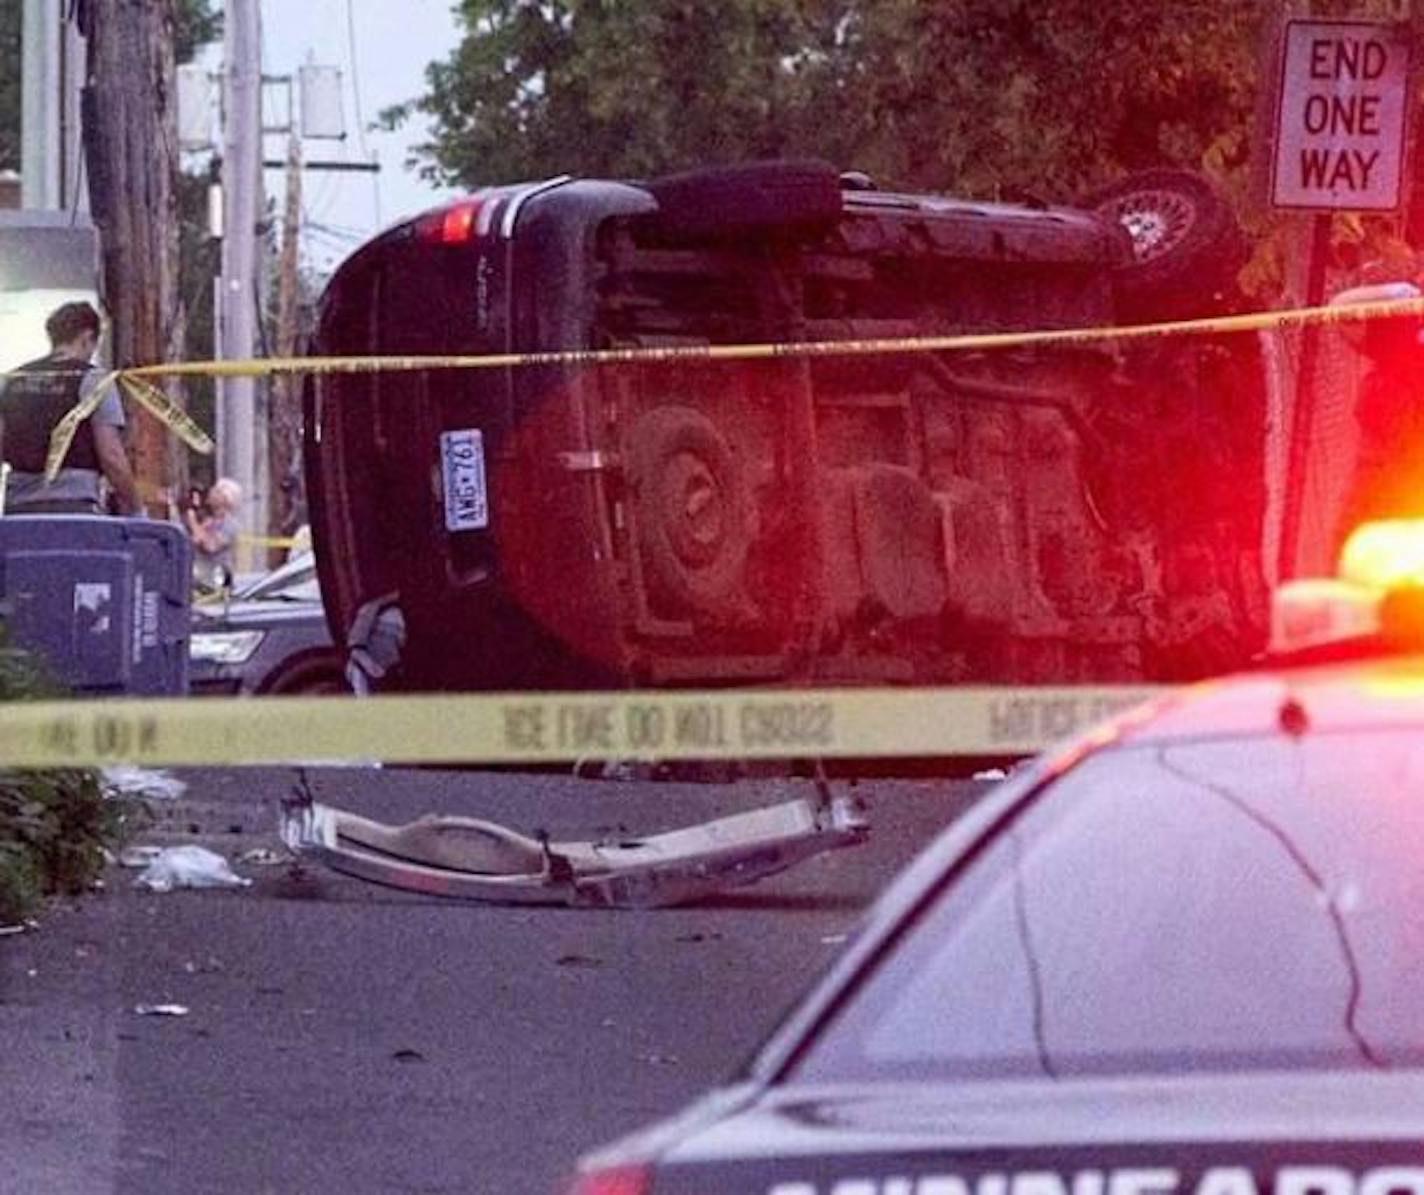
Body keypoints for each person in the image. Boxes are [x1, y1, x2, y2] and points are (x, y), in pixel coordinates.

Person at [0, 301, 141, 516]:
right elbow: (111, 456)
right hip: (75, 505)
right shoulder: (94, 381)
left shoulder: (12, 381)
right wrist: (134, 505)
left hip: (19, 508)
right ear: (87, 338)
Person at [185, 477, 242, 590]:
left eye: (216, 491)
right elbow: (195, 540)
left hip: (216, 584)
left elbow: (211, 546)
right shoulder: (208, 521)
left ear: (225, 499)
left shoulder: (230, 525)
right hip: (199, 581)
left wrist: (192, 522)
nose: (211, 493)